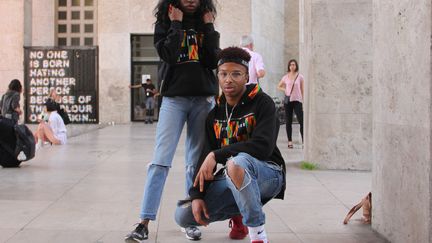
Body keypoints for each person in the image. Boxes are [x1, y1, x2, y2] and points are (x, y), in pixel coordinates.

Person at [125, 0, 220, 242]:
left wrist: (209, 28)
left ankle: (189, 220)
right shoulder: (165, 23)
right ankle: (143, 222)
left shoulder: (205, 21)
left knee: (194, 163)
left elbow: (211, 61)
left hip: (203, 100)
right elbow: (168, 54)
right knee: (160, 161)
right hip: (174, 99)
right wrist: (176, 24)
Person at [174, 47, 286, 243]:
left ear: (246, 76)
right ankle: (239, 213)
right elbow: (205, 155)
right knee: (183, 215)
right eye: (223, 74)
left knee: (237, 163)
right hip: (234, 178)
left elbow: (263, 146)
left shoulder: (263, 103)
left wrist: (216, 155)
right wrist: (198, 195)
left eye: (236, 74)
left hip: (269, 174)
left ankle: (258, 235)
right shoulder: (214, 114)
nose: (228, 80)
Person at [277, 59, 304, 148]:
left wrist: (303, 101)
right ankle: (290, 141)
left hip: (297, 101)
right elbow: (279, 86)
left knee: (301, 121)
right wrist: (285, 90)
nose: (292, 66)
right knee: (288, 121)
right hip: (288, 102)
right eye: (291, 65)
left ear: (296, 66)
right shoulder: (285, 77)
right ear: (289, 66)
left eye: (294, 65)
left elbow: (302, 89)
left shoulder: (300, 77)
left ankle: (304, 141)